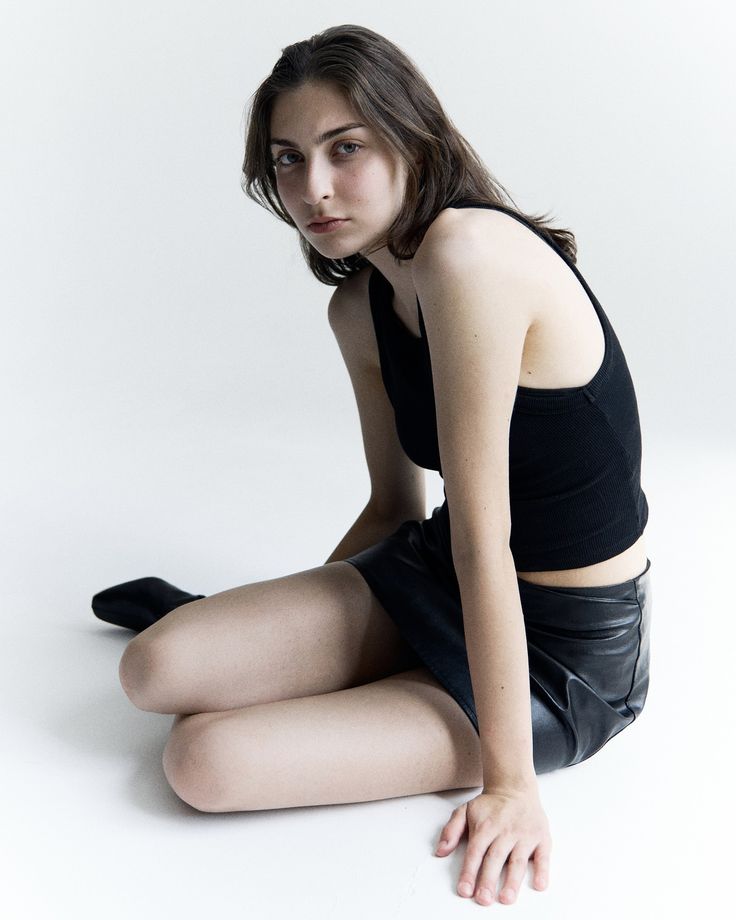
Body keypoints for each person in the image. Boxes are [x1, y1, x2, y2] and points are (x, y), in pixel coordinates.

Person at [94, 24, 652, 908]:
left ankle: (441, 711)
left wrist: (511, 785)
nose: (312, 189)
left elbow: (485, 535)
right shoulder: (360, 306)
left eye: (343, 148)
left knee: (203, 760)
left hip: (566, 653)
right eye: (287, 160)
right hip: (440, 573)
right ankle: (327, 665)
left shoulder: (468, 257)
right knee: (154, 670)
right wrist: (275, 638)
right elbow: (396, 510)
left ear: (411, 135)